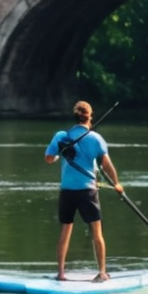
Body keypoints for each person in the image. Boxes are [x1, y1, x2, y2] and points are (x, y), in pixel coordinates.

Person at [45, 100, 123, 282]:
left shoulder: (61, 136)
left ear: (75, 116)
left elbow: (49, 159)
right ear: (90, 117)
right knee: (97, 233)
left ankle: (61, 274)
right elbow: (107, 166)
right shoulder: (95, 138)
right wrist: (117, 184)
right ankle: (102, 273)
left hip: (67, 191)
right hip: (87, 192)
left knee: (65, 231)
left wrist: (59, 154)